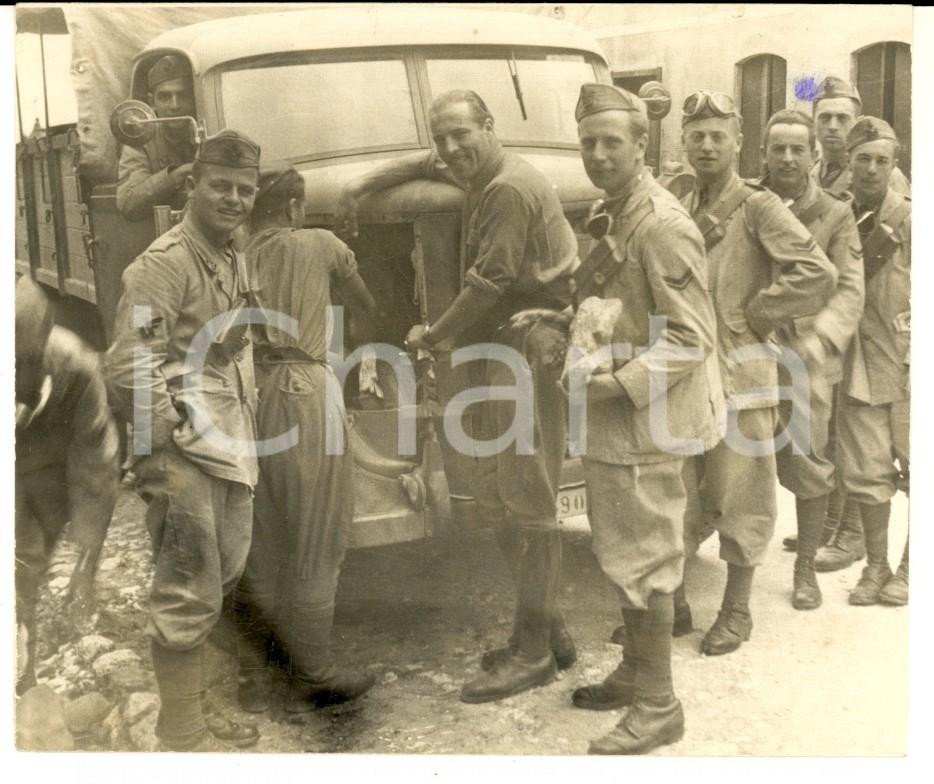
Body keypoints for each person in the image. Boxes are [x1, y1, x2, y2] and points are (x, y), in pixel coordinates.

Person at [337, 89, 579, 703]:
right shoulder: (479, 165)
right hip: (504, 349)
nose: (449, 148)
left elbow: (487, 281)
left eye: (460, 135)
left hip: (528, 346)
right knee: (507, 491)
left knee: (530, 498)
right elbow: (422, 165)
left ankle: (533, 655)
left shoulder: (506, 188)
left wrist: (430, 335)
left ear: (489, 127)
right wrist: (362, 186)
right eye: (442, 137)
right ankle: (550, 634)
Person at [566, 84, 723, 755]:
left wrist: (617, 385)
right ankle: (636, 671)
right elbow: (619, 305)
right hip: (619, 417)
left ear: (640, 145)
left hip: (645, 422)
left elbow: (692, 337)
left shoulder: (659, 223)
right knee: (624, 549)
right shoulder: (616, 211)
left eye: (612, 143)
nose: (598, 154)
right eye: (588, 143)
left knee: (651, 557)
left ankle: (659, 705)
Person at [105, 129, 262, 751]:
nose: (232, 199)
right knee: (187, 582)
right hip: (186, 450)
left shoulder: (228, 250)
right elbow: (129, 362)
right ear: (192, 185)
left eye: (244, 190)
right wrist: (161, 444)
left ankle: (196, 703)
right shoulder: (165, 264)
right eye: (219, 186)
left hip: (224, 441)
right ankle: (183, 730)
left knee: (218, 573)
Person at [679, 90, 836, 655]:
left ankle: (737, 611)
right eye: (697, 135)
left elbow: (816, 273)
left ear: (739, 143)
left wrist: (758, 314)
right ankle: (672, 604)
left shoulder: (758, 205)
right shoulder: (677, 197)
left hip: (742, 378)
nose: (707, 145)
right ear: (682, 142)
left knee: (742, 497)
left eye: (718, 135)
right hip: (681, 375)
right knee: (678, 492)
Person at [234, 166, 378, 713]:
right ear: (296, 207)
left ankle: (256, 676)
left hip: (251, 391)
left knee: (263, 537)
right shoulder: (320, 243)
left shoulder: (237, 251)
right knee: (318, 533)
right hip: (305, 389)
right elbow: (366, 305)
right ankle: (314, 674)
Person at [758, 109, 865, 608]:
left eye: (797, 149)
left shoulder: (835, 213)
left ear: (814, 155)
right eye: (778, 149)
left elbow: (848, 288)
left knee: (808, 460)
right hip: (750, 348)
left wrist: (820, 340)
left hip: (806, 354)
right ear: (763, 154)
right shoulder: (748, 203)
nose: (787, 158)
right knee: (729, 456)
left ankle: (805, 571)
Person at [15, 276, 120, 695]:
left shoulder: (77, 369)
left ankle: (25, 677)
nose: (17, 372)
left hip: (48, 477)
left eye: (25, 360)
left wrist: (86, 565)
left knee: (29, 566)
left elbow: (97, 468)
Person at [835, 117, 910, 606]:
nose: (871, 169)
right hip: (859, 364)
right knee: (867, 472)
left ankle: (911, 565)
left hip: (908, 365)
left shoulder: (911, 220)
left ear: (894, 165)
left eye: (882, 160)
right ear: (849, 163)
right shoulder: (838, 219)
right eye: (863, 158)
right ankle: (876, 565)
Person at [116, 55, 197, 221]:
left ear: (194, 98)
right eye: (165, 97)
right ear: (152, 102)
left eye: (182, 95)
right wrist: (177, 175)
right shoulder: (142, 140)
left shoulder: (212, 128)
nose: (174, 106)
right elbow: (128, 202)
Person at [809, 76, 910, 197]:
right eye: (825, 118)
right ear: (813, 122)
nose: (833, 126)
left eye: (842, 118)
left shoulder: (887, 175)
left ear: (857, 122)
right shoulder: (808, 171)